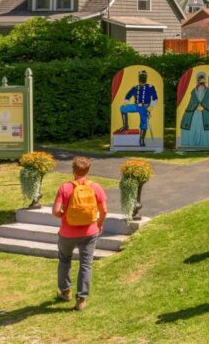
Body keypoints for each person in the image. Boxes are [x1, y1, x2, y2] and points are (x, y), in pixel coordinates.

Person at [51, 156, 107, 311]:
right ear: (88, 170)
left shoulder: (65, 188)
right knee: (86, 264)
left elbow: (55, 211)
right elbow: (104, 210)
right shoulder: (95, 187)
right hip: (90, 232)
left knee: (64, 259)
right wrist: (99, 224)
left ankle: (65, 291)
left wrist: (63, 214)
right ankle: (81, 300)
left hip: (67, 233)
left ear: (73, 170)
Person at [118, 70, 158, 147]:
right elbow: (127, 96)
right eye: (141, 76)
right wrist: (127, 103)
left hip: (144, 107)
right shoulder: (135, 87)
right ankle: (125, 125)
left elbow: (155, 98)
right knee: (123, 108)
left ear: (146, 78)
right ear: (139, 78)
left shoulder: (150, 87)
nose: (142, 78)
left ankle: (141, 139)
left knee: (143, 123)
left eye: (144, 76)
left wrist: (151, 107)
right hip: (136, 106)